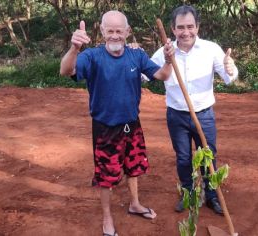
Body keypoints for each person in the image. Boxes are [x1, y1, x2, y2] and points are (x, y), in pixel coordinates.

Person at [60, 10, 174, 236]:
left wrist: (169, 60)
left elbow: (162, 75)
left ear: (127, 32)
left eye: (118, 31)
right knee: (106, 176)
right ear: (102, 31)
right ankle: (107, 217)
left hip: (132, 124)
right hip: (105, 129)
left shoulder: (137, 55)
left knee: (134, 167)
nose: (114, 35)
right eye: (109, 31)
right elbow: (66, 71)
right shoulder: (91, 56)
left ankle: (134, 203)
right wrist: (74, 48)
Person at [151, 5, 238, 216]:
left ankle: (212, 196)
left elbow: (228, 77)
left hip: (204, 114)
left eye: (190, 26)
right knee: (183, 157)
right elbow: (145, 73)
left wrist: (230, 68)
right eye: (180, 27)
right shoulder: (164, 52)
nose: (186, 32)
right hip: (176, 115)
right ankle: (189, 194)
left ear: (197, 27)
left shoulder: (210, 49)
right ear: (173, 29)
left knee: (208, 156)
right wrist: (133, 54)